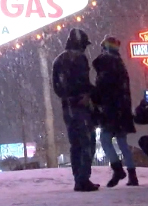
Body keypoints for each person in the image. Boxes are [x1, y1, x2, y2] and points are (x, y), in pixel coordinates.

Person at [52, 28, 100, 192]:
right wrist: (89, 94)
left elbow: (57, 87)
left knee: (75, 144)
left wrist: (67, 97)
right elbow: (83, 82)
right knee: (87, 142)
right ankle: (83, 179)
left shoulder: (58, 60)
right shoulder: (79, 58)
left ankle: (78, 178)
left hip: (67, 107)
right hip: (81, 106)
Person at [91, 36, 138, 187]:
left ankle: (117, 169)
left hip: (110, 109)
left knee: (105, 140)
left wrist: (95, 99)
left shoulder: (105, 64)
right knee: (122, 142)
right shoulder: (120, 64)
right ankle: (132, 175)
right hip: (122, 108)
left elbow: (103, 89)